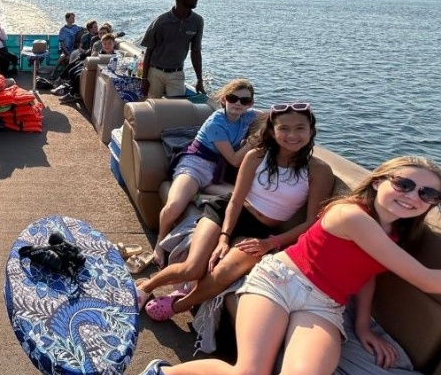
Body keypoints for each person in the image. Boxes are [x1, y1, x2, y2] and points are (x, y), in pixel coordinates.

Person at [128, 155, 441, 375]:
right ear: (378, 180)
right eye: (404, 183)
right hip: (280, 280)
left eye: (428, 194)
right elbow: (428, 280)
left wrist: (361, 328)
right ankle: (162, 374)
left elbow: (366, 275)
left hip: (324, 305)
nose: (413, 196)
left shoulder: (394, 235)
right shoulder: (350, 215)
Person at [138, 102, 334, 327]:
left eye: (300, 128)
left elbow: (311, 222)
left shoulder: (318, 171)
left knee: (224, 271)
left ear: (311, 130)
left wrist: (271, 243)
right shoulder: (256, 157)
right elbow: (236, 200)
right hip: (227, 212)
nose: (292, 135)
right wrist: (223, 238)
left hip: (261, 231)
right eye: (284, 128)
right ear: (272, 131)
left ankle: (177, 305)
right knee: (193, 267)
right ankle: (145, 287)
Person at [153, 79, 261, 266]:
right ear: (224, 100)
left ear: (250, 104)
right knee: (174, 207)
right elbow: (235, 159)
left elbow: (274, 116)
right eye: (233, 98)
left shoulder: (249, 117)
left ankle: (198, 196)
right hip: (195, 165)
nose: (238, 103)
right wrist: (253, 141)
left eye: (244, 101)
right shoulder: (216, 122)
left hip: (217, 175)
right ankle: (159, 243)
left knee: (246, 199)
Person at [140, 0, 205, 98]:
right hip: (155, 73)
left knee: (176, 111)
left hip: (177, 73)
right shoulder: (161, 21)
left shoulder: (197, 21)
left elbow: (196, 51)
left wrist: (199, 80)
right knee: (153, 108)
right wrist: (144, 79)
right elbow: (148, 51)